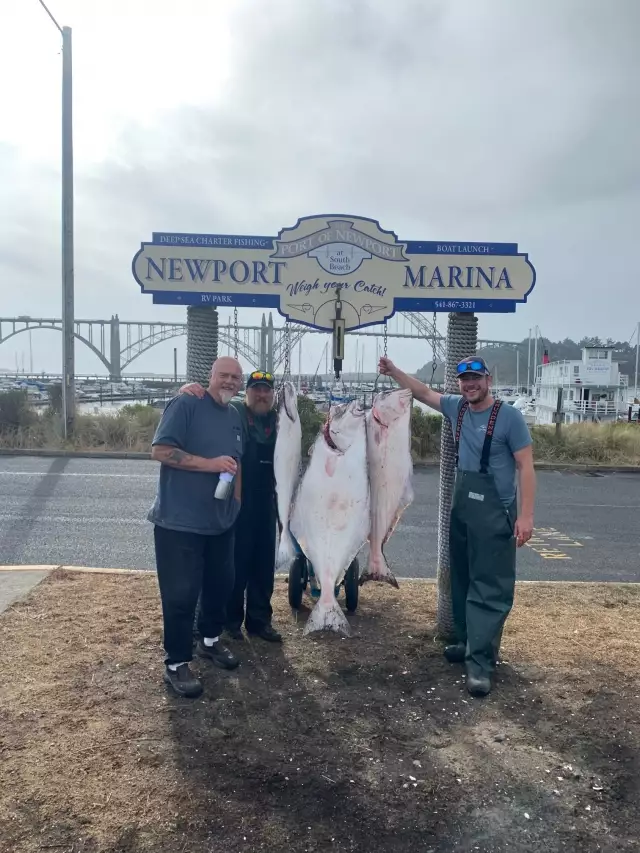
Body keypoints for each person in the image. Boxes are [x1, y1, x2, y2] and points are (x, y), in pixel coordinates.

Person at [378, 354, 536, 697]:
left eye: (476, 379)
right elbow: (420, 392)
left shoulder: (509, 418)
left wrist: (526, 516)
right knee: (463, 580)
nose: (470, 385)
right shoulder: (456, 408)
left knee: (489, 588)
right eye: (465, 380)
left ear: (488, 380)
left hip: (497, 515)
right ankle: (467, 642)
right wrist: (393, 371)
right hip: (463, 510)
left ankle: (481, 664)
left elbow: (525, 466)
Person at [148, 356, 245, 699]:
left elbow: (236, 464)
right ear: (211, 376)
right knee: (180, 596)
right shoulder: (187, 402)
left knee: (220, 587)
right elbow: (160, 451)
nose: (230, 382)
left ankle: (210, 641)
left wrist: (237, 504)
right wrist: (209, 465)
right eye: (224, 375)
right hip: (179, 524)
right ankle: (176, 663)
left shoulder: (234, 416)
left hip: (220, 524)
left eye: (236, 377)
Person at [179, 369, 282, 643]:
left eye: (266, 390)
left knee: (263, 566)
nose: (261, 395)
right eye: (256, 389)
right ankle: (230, 621)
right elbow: (210, 402)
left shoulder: (281, 419)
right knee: (235, 565)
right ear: (245, 392)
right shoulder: (235, 411)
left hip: (268, 504)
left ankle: (260, 621)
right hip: (238, 502)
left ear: (272, 395)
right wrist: (189, 388)